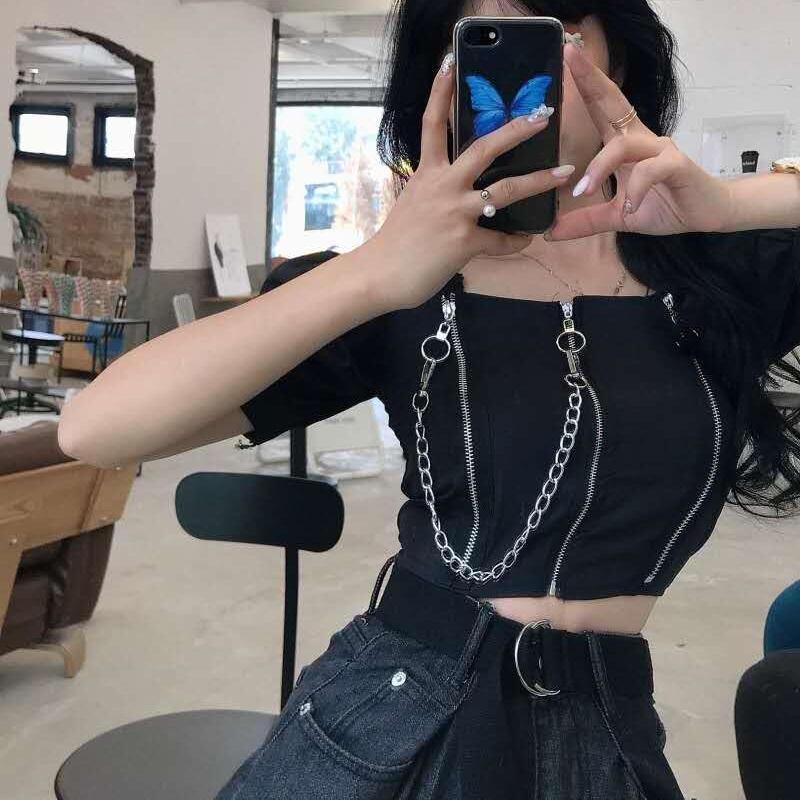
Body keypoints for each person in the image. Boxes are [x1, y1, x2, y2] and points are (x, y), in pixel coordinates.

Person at [57, 0, 800, 798]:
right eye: (477, 51)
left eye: (557, 40)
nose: (521, 93)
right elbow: (94, 430)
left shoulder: (723, 279)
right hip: (387, 717)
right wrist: (373, 272)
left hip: (608, 734)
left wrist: (731, 204)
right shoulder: (399, 287)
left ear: (621, 60)